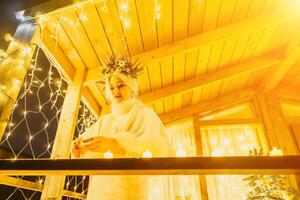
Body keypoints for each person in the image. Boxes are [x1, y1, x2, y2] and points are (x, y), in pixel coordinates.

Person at [72, 56, 170, 200]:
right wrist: (79, 150)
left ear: (132, 88)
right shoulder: (104, 121)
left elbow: (155, 154)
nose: (115, 91)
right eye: (111, 87)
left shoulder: (144, 114)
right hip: (99, 193)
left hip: (130, 193)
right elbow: (86, 154)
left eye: (121, 85)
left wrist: (115, 145)